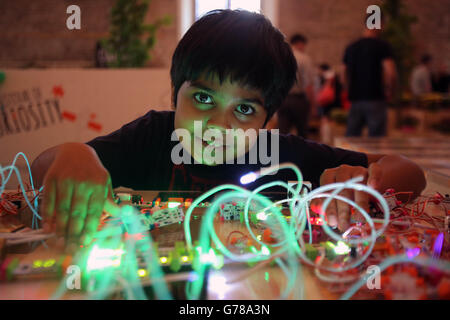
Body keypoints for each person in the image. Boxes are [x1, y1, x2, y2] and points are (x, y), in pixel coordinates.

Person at [31, 10, 425, 249]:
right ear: (175, 94)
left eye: (244, 108)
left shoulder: (283, 157)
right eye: (203, 99)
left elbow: (411, 172)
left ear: (267, 120)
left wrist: (366, 183)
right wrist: (73, 154)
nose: (219, 125)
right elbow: (36, 170)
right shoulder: (151, 136)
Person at [343, 16, 397, 137]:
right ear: (380, 24)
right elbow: (390, 72)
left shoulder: (352, 47)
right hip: (375, 97)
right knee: (376, 140)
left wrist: (347, 90)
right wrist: (390, 90)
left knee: (352, 138)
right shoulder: (382, 46)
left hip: (355, 99)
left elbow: (344, 73)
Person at [276, 34, 315, 138]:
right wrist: (312, 104)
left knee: (281, 134)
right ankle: (302, 154)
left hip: (282, 99)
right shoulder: (304, 58)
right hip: (298, 100)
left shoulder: (280, 57)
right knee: (302, 134)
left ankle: (280, 154)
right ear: (300, 44)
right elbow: (308, 84)